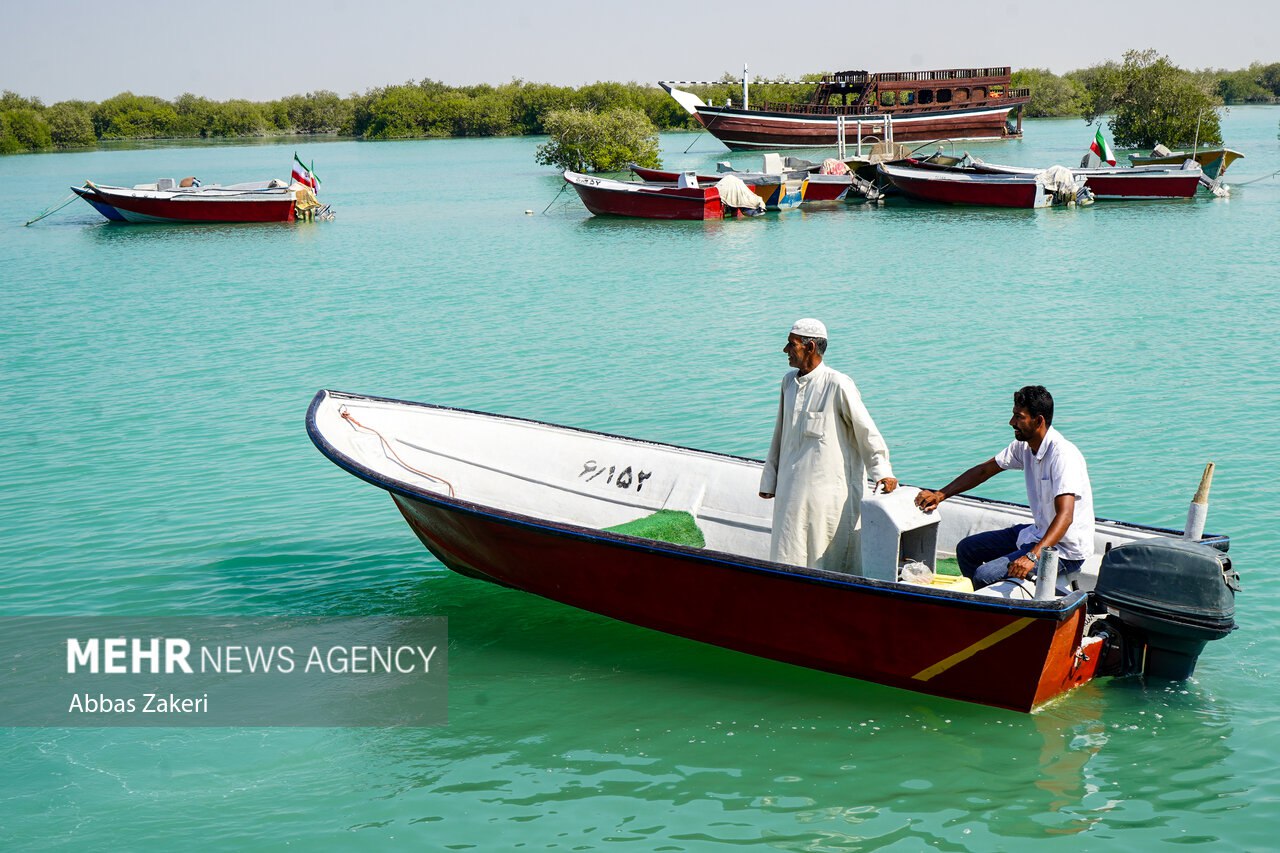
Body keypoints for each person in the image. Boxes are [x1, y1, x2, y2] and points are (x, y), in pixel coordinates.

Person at [913, 386, 1095, 590]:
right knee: (966, 549)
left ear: (1039, 420)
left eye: (1019, 417)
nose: (1012, 423)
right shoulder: (1024, 446)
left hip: (1064, 550)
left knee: (985, 575)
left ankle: (999, 610)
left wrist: (1031, 556)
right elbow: (984, 470)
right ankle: (986, 606)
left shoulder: (1063, 455)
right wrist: (941, 494)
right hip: (1037, 532)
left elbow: (1066, 516)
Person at [759, 318, 897, 572]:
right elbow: (779, 434)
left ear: (810, 347)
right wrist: (770, 479)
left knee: (828, 559)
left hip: (829, 496)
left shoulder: (838, 384)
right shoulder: (788, 382)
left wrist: (883, 472)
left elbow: (866, 432)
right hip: (790, 492)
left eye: (791, 345)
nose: (785, 351)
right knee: (788, 553)